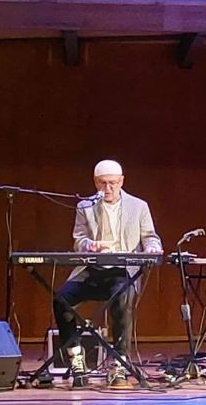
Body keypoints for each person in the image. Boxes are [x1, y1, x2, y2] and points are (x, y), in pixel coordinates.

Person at [53, 159, 163, 388]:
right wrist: (89, 245)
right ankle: (76, 360)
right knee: (61, 298)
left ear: (121, 181)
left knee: (122, 298)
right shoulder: (85, 206)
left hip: (122, 271)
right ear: (95, 182)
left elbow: (150, 236)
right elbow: (79, 240)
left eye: (113, 183)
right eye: (103, 183)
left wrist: (152, 248)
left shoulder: (138, 206)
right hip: (92, 269)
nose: (108, 188)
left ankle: (119, 364)